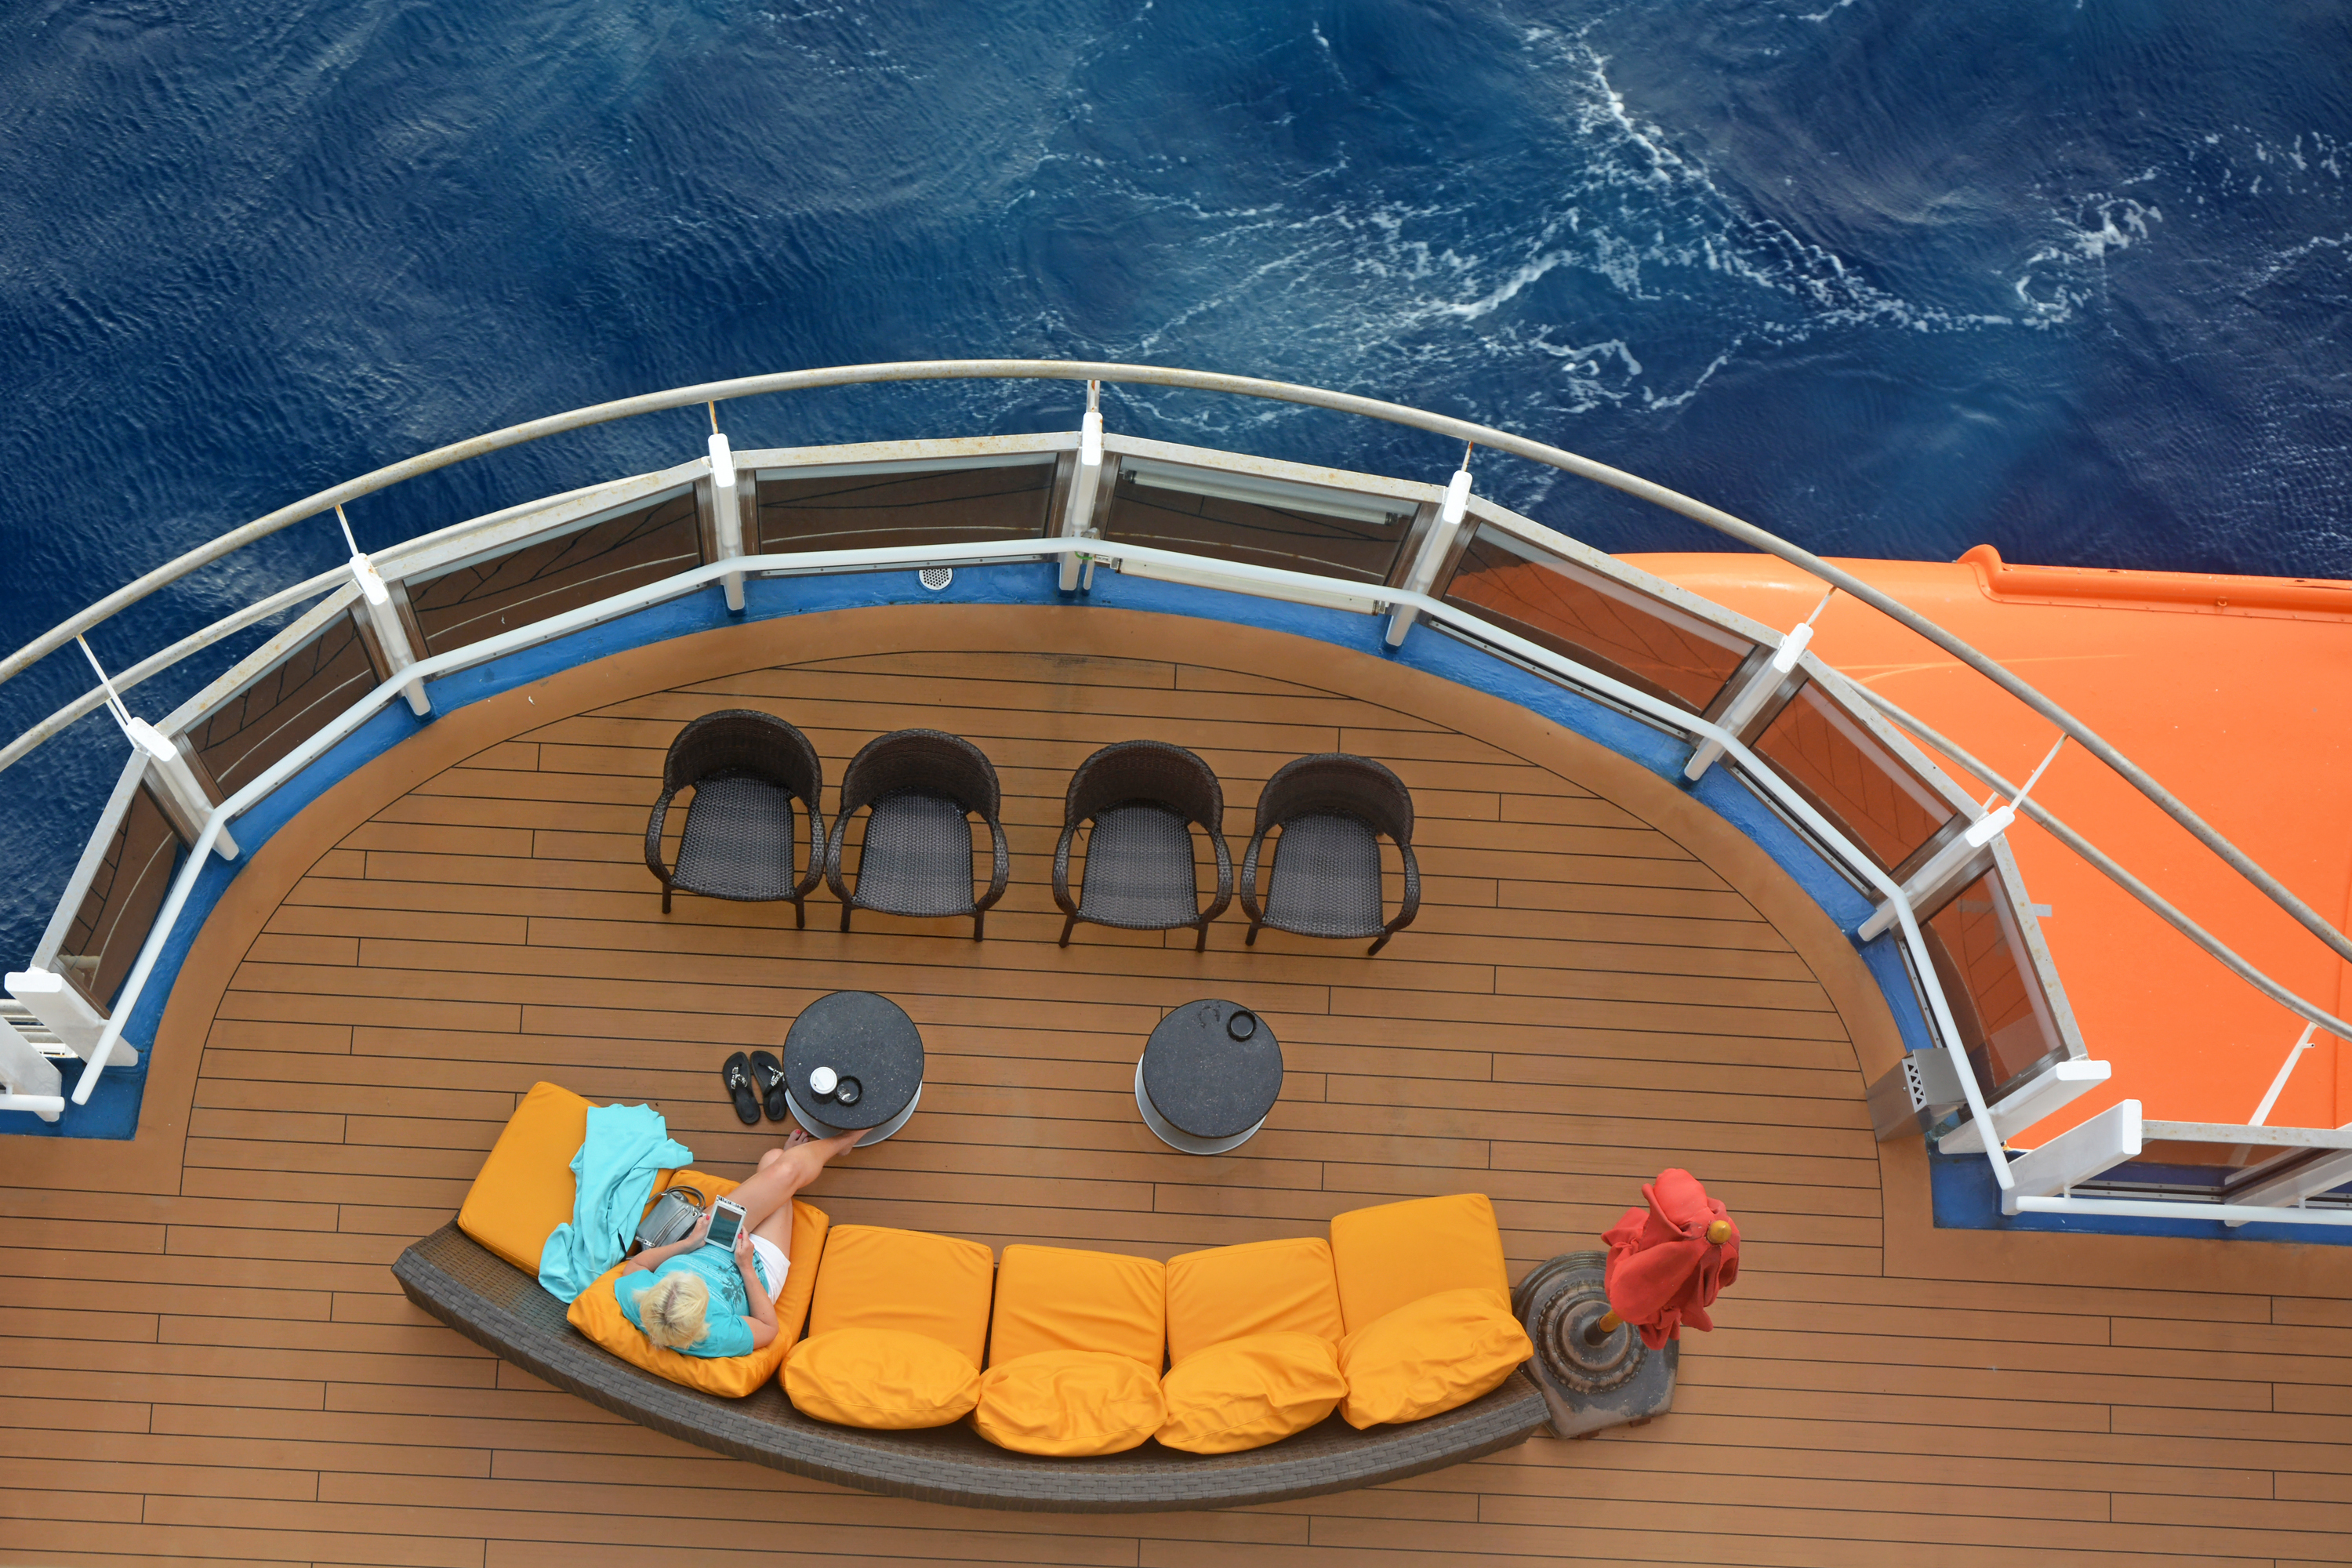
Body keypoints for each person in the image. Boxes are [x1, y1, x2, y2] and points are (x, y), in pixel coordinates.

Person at [618, 1126, 859, 1356]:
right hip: (758, 1265)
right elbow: (768, 1327)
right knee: (778, 1163)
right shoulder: (718, 1336)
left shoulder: (641, 1300)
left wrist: (689, 1244)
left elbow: (637, 1266)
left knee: (777, 1161)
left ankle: (806, 1155)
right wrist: (745, 1266)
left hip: (704, 1240)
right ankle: (845, 1141)